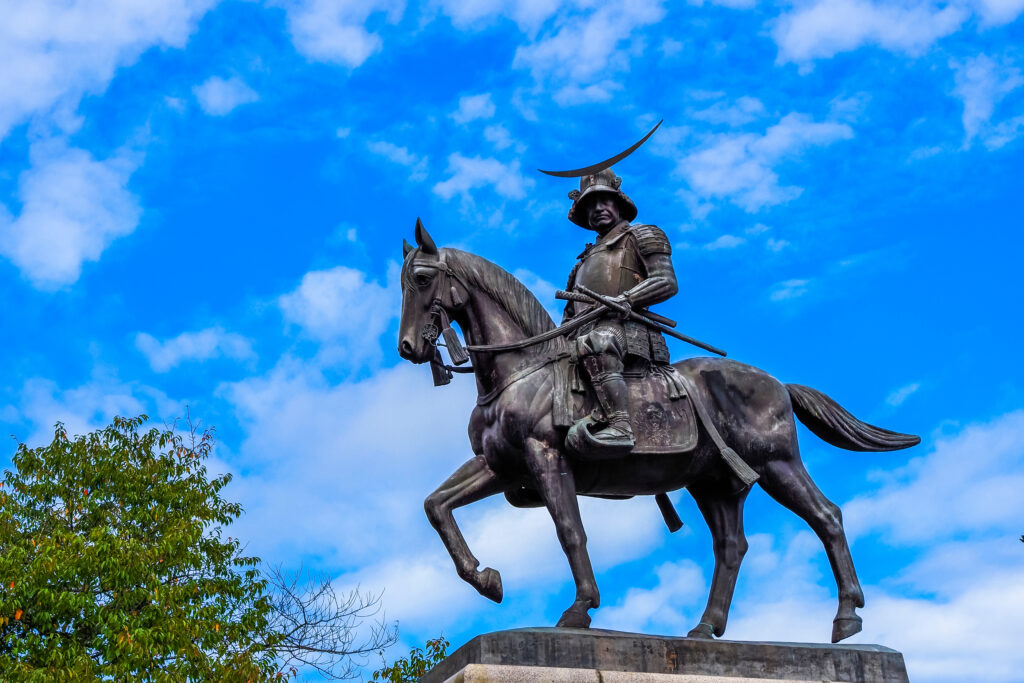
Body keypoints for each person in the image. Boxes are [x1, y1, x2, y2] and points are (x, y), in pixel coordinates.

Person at [562, 167, 679, 455]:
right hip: (581, 336)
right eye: (590, 205)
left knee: (598, 341)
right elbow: (568, 316)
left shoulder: (642, 235)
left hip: (626, 330)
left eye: (604, 201)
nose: (598, 209)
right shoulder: (580, 264)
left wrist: (627, 299)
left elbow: (665, 281)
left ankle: (620, 425)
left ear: (618, 203)